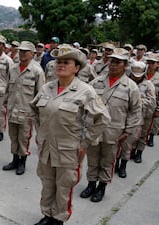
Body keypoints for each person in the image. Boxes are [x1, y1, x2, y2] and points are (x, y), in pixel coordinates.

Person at [31, 47, 110, 225]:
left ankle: (58, 218)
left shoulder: (85, 91)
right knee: (47, 183)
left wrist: (86, 142)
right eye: (59, 61)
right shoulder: (46, 88)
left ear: (76, 68)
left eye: (67, 62)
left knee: (64, 186)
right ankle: (47, 214)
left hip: (68, 149)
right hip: (46, 147)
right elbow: (34, 110)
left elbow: (103, 118)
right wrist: (39, 131)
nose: (61, 65)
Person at [81, 48, 142, 202]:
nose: (113, 64)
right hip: (94, 129)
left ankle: (101, 187)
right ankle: (91, 184)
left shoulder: (131, 87)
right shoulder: (97, 81)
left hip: (114, 131)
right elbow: (85, 102)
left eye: (117, 62)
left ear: (125, 65)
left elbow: (135, 112)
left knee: (107, 161)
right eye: (111, 61)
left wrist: (127, 132)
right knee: (93, 159)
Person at [4, 41, 45, 175]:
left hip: (26, 111)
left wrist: (37, 113)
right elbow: (7, 89)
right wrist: (5, 104)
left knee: (24, 138)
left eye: (25, 51)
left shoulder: (37, 71)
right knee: (13, 136)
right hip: (12, 108)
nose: (21, 53)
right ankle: (14, 159)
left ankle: (22, 161)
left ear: (32, 54)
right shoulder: (13, 69)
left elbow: (40, 94)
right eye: (20, 51)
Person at [127, 61, 156, 165]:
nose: (136, 77)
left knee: (142, 135)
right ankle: (132, 150)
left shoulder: (148, 85)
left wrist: (136, 101)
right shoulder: (128, 82)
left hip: (144, 114)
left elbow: (151, 101)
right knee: (131, 135)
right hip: (129, 114)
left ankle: (139, 152)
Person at [146, 54, 159, 147]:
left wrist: (158, 109)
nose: (150, 64)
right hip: (143, 102)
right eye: (148, 62)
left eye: (152, 63)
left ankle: (151, 137)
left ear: (157, 64)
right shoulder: (142, 74)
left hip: (155, 103)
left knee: (154, 122)